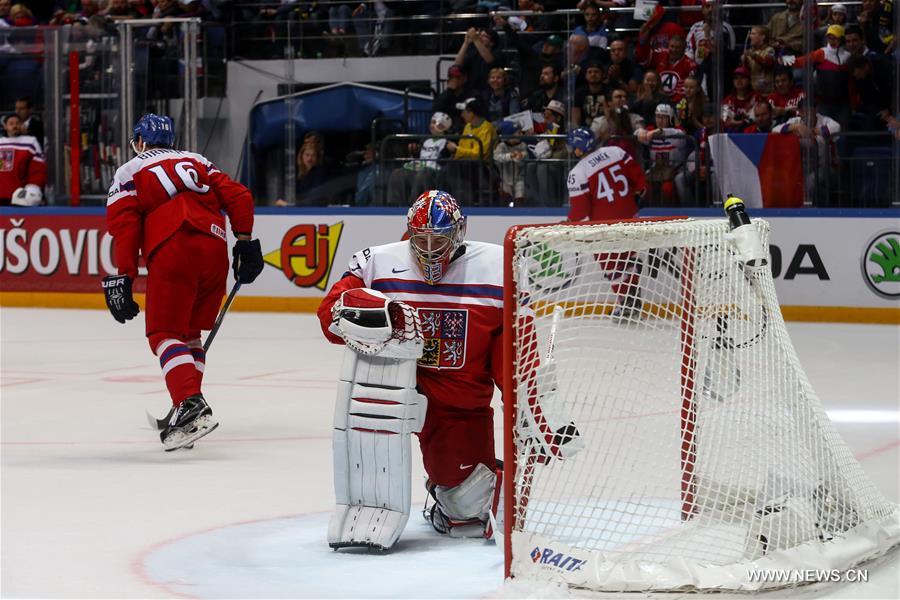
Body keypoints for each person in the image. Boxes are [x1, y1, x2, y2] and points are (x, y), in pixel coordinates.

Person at [317, 189, 505, 539]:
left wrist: (529, 400)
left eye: (441, 239)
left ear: (460, 232)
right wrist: (379, 314)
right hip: (386, 392)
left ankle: (471, 478)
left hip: (457, 404)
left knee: (467, 510)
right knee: (366, 484)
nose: (431, 249)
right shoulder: (377, 262)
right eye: (422, 239)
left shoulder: (496, 267)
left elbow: (513, 347)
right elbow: (330, 315)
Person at [102, 113, 264, 451]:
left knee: (163, 333)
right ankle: (186, 404)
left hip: (174, 245)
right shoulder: (197, 160)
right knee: (190, 333)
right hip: (214, 248)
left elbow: (126, 227)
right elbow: (240, 196)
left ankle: (190, 403)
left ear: (140, 141)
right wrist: (246, 242)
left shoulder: (129, 170)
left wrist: (124, 276)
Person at [566, 128, 647, 319]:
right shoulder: (616, 152)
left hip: (604, 227)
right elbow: (640, 182)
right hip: (630, 219)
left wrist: (568, 223)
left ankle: (625, 303)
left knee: (612, 266)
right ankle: (630, 300)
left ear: (579, 148)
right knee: (627, 260)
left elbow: (580, 211)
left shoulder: (578, 172)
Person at [388, 112, 452, 205]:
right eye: (431, 122)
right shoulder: (426, 140)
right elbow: (420, 157)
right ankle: (395, 206)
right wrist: (414, 152)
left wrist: (447, 151)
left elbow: (443, 162)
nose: (432, 125)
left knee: (422, 175)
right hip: (420, 169)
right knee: (398, 173)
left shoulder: (447, 142)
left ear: (443, 127)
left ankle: (415, 205)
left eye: (436, 123)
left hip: (435, 173)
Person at [0, 113, 46, 206]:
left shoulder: (30, 142)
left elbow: (38, 169)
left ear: (22, 125)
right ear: (5, 126)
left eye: (17, 123)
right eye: (11, 123)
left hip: (21, 197)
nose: (15, 126)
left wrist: (33, 187)